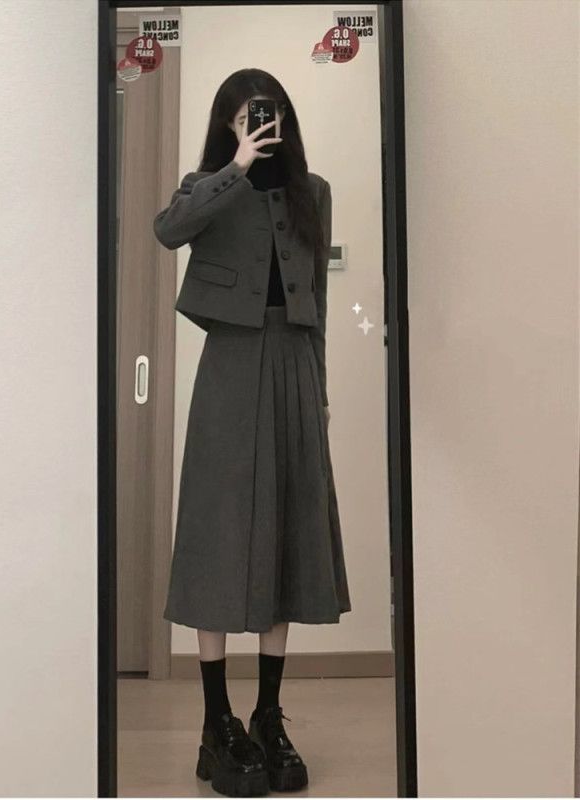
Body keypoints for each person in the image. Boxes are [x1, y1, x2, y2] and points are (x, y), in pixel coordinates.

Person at [153, 68, 351, 797]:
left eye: (268, 114)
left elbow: (316, 302)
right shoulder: (206, 186)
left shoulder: (312, 192)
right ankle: (217, 723)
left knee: (286, 528)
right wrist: (236, 164)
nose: (260, 125)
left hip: (294, 363)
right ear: (227, 124)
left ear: (286, 119)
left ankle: (268, 716)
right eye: (244, 116)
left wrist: (319, 392)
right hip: (231, 367)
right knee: (218, 528)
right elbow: (168, 231)